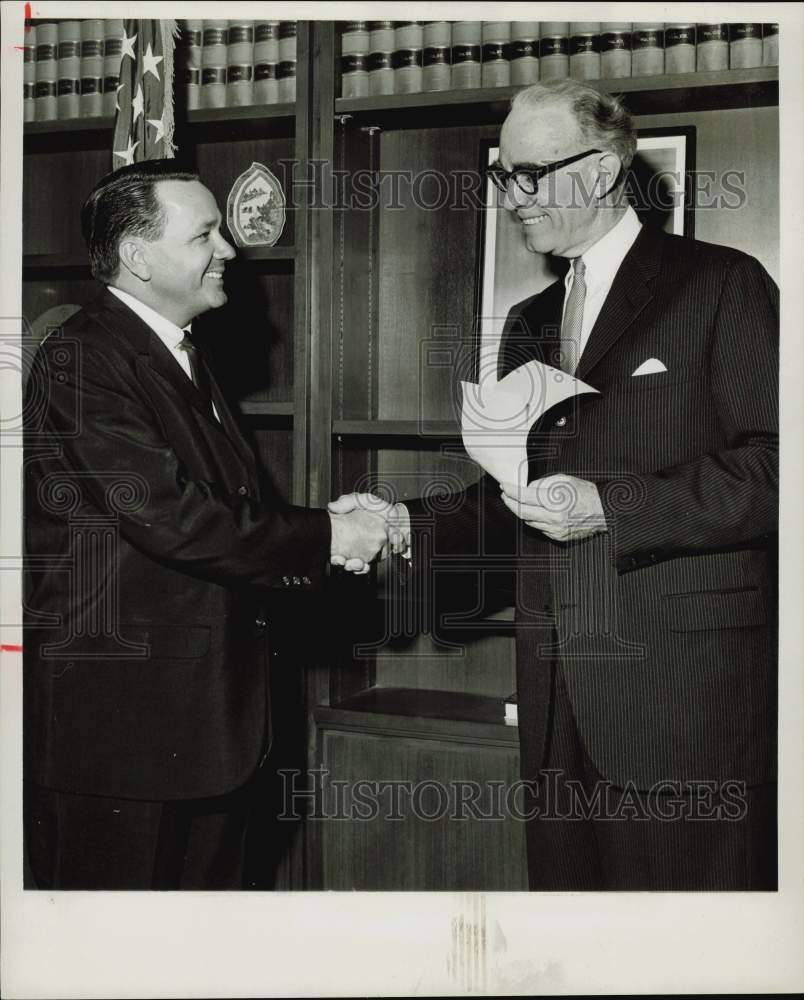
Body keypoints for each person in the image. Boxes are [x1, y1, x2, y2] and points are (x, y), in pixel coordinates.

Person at [331, 79, 779, 890]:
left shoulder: (722, 285)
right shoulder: (530, 319)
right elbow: (514, 495)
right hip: (555, 703)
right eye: (506, 177)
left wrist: (613, 506)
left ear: (605, 170)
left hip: (682, 703)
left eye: (532, 174)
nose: (513, 198)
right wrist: (401, 521)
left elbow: (782, 464)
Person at [23, 159, 392, 890]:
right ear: (138, 256)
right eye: (205, 235)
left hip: (204, 725)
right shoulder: (83, 355)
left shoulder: (182, 353)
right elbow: (172, 516)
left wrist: (324, 524)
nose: (229, 249)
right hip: (125, 735)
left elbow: (218, 503)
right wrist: (327, 535)